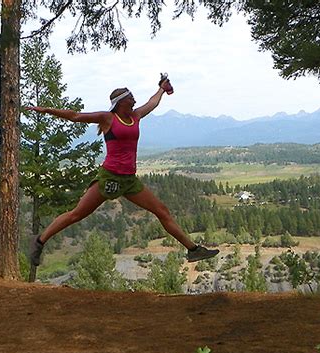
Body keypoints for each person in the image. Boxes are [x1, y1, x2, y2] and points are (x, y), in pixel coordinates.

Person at [26, 74, 219, 266]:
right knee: (77, 214)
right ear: (121, 102)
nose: (135, 100)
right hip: (110, 177)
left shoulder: (135, 116)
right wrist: (47, 110)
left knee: (162, 211)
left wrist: (161, 88)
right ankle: (39, 241)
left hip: (129, 180)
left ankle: (193, 250)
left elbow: (152, 103)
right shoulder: (108, 118)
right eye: (131, 98)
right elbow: (75, 116)